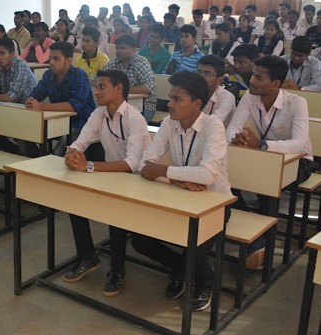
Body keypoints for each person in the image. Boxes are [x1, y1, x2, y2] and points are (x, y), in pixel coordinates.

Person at [132, 71, 232, 311]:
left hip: (215, 204)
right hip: (177, 198)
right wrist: (177, 180)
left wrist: (165, 172)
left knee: (192, 248)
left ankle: (205, 281)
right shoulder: (168, 123)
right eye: (170, 98)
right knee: (140, 240)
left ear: (197, 103)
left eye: (177, 99)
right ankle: (179, 267)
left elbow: (207, 175)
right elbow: (144, 166)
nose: (170, 104)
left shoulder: (213, 126)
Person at [61, 69, 151, 296]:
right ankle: (88, 256)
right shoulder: (99, 114)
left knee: (116, 214)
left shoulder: (135, 118)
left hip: (138, 181)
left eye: (102, 87)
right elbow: (81, 141)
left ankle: (118, 270)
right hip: (113, 176)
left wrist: (88, 166)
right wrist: (72, 153)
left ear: (118, 89)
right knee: (75, 201)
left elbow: (131, 164)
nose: (97, 91)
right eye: (96, 86)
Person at [227, 55, 313, 270]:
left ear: (276, 84)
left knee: (266, 187)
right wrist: (235, 138)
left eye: (259, 77)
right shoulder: (249, 97)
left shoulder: (297, 103)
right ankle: (254, 236)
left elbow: (300, 144)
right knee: (225, 179)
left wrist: (263, 145)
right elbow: (232, 128)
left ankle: (260, 244)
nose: (252, 81)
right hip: (263, 158)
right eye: (253, 75)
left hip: (298, 162)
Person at [25, 42, 95, 155]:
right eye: (50, 58)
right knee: (24, 133)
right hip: (57, 122)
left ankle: (47, 167)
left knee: (59, 152)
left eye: (56, 59)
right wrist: (30, 100)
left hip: (81, 124)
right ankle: (36, 162)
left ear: (68, 60)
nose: (51, 62)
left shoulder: (80, 75)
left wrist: (41, 106)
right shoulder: (48, 75)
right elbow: (35, 94)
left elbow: (74, 106)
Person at [101, 34, 157, 122]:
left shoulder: (140, 63)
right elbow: (96, 79)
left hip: (144, 106)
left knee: (124, 125)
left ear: (133, 49)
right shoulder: (115, 62)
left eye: (122, 48)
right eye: (117, 48)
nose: (118, 51)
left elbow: (148, 88)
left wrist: (119, 90)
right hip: (118, 104)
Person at [0, 38, 37, 104]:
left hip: (30, 108)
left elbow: (10, 97)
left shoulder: (20, 66)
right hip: (14, 106)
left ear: (12, 54)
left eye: (2, 53)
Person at [198, 55, 236, 127]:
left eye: (207, 74)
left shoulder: (227, 98)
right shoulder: (192, 92)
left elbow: (213, 125)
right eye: (199, 72)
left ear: (219, 80)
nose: (201, 77)